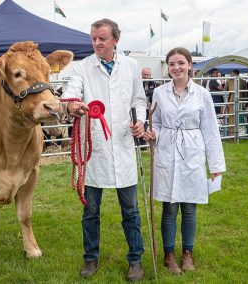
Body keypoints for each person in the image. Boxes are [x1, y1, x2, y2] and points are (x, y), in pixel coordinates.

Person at [61, 18, 147, 281]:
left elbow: (139, 99)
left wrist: (140, 122)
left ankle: (135, 260)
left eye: (102, 38)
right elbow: (71, 93)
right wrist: (72, 105)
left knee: (131, 211)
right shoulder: (82, 68)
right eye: (93, 38)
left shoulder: (131, 66)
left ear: (115, 40)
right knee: (91, 210)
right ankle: (91, 258)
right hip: (94, 148)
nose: (97, 43)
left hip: (122, 144)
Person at [144, 47, 226, 274]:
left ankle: (187, 253)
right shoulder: (159, 93)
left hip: (192, 152)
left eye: (181, 63)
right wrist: (154, 133)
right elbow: (156, 122)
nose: (176, 68)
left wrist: (216, 166)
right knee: (169, 207)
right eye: (172, 64)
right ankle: (169, 254)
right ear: (168, 67)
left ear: (190, 64)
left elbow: (210, 131)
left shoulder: (202, 94)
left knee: (190, 207)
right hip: (167, 152)